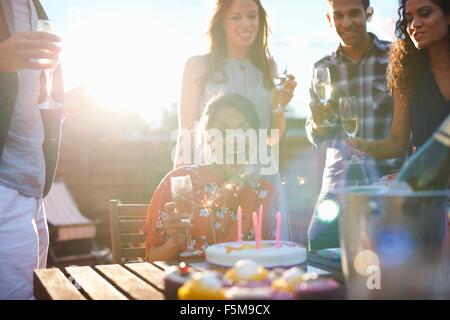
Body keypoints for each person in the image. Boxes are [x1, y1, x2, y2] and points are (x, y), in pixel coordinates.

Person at [174, 0, 297, 240]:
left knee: (263, 255)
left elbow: (271, 138)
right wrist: (180, 187)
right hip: (213, 174)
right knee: (211, 247)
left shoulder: (270, 68)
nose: (247, 24)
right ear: (221, 21)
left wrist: (281, 104)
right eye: (236, 17)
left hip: (261, 174)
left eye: (252, 16)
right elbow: (186, 129)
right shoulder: (197, 66)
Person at [305, 0, 403, 250]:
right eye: (338, 16)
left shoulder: (397, 58)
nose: (346, 23)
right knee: (319, 251)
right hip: (339, 184)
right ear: (330, 19)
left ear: (368, 14)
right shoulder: (322, 68)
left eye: (353, 14)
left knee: (386, 264)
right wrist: (319, 120)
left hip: (388, 181)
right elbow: (315, 135)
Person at [144, 94, 280, 262]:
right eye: (223, 131)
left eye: (244, 130)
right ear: (208, 138)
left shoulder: (265, 193)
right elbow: (151, 258)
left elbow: (275, 260)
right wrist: (174, 242)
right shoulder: (179, 181)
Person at [0, 0, 63, 299]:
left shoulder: (34, 8)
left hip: (34, 188)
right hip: (4, 185)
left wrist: (61, 109)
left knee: (39, 293)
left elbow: (26, 98)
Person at [348, 0, 449, 158]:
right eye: (408, 19)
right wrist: (363, 147)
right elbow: (397, 142)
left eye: (424, 13)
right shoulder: (407, 73)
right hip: (427, 178)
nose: (414, 24)